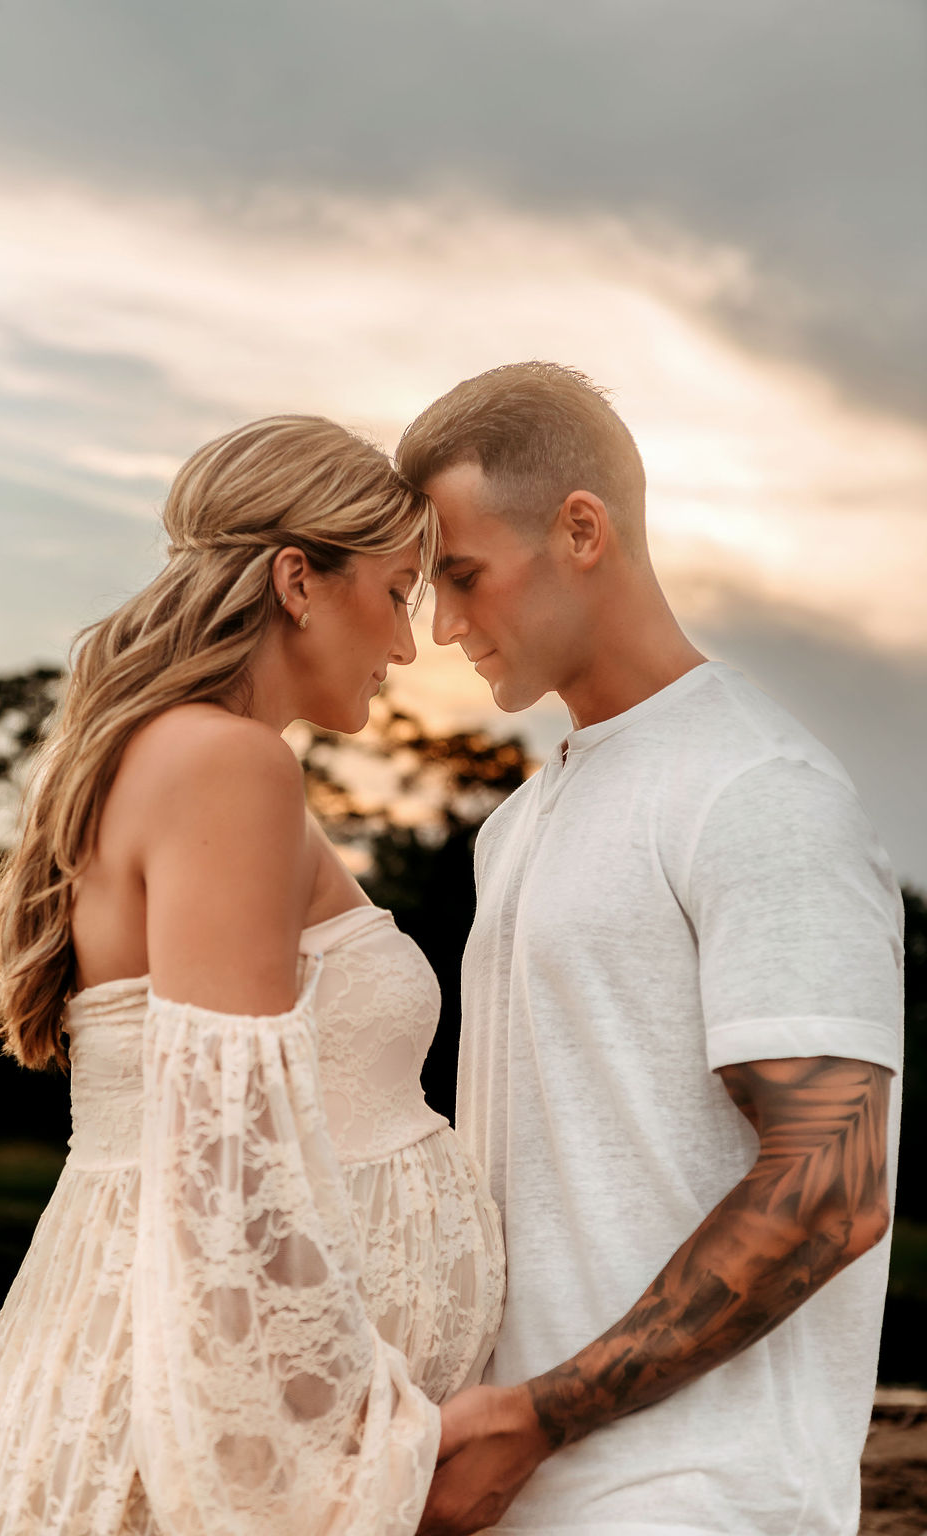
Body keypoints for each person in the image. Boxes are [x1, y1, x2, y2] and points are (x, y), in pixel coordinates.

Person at [0, 415, 505, 1536]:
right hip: (193, 1428)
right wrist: (374, 1464)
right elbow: (228, 1166)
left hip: (164, 1385)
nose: (407, 643)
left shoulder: (187, 755)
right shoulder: (223, 763)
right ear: (298, 579)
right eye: (394, 593)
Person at [395, 362, 903, 1536]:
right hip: (513, 1488)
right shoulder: (519, 822)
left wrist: (540, 1415)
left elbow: (831, 1190)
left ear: (581, 529)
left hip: (693, 1499)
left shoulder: (755, 788)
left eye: (461, 576)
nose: (442, 626)